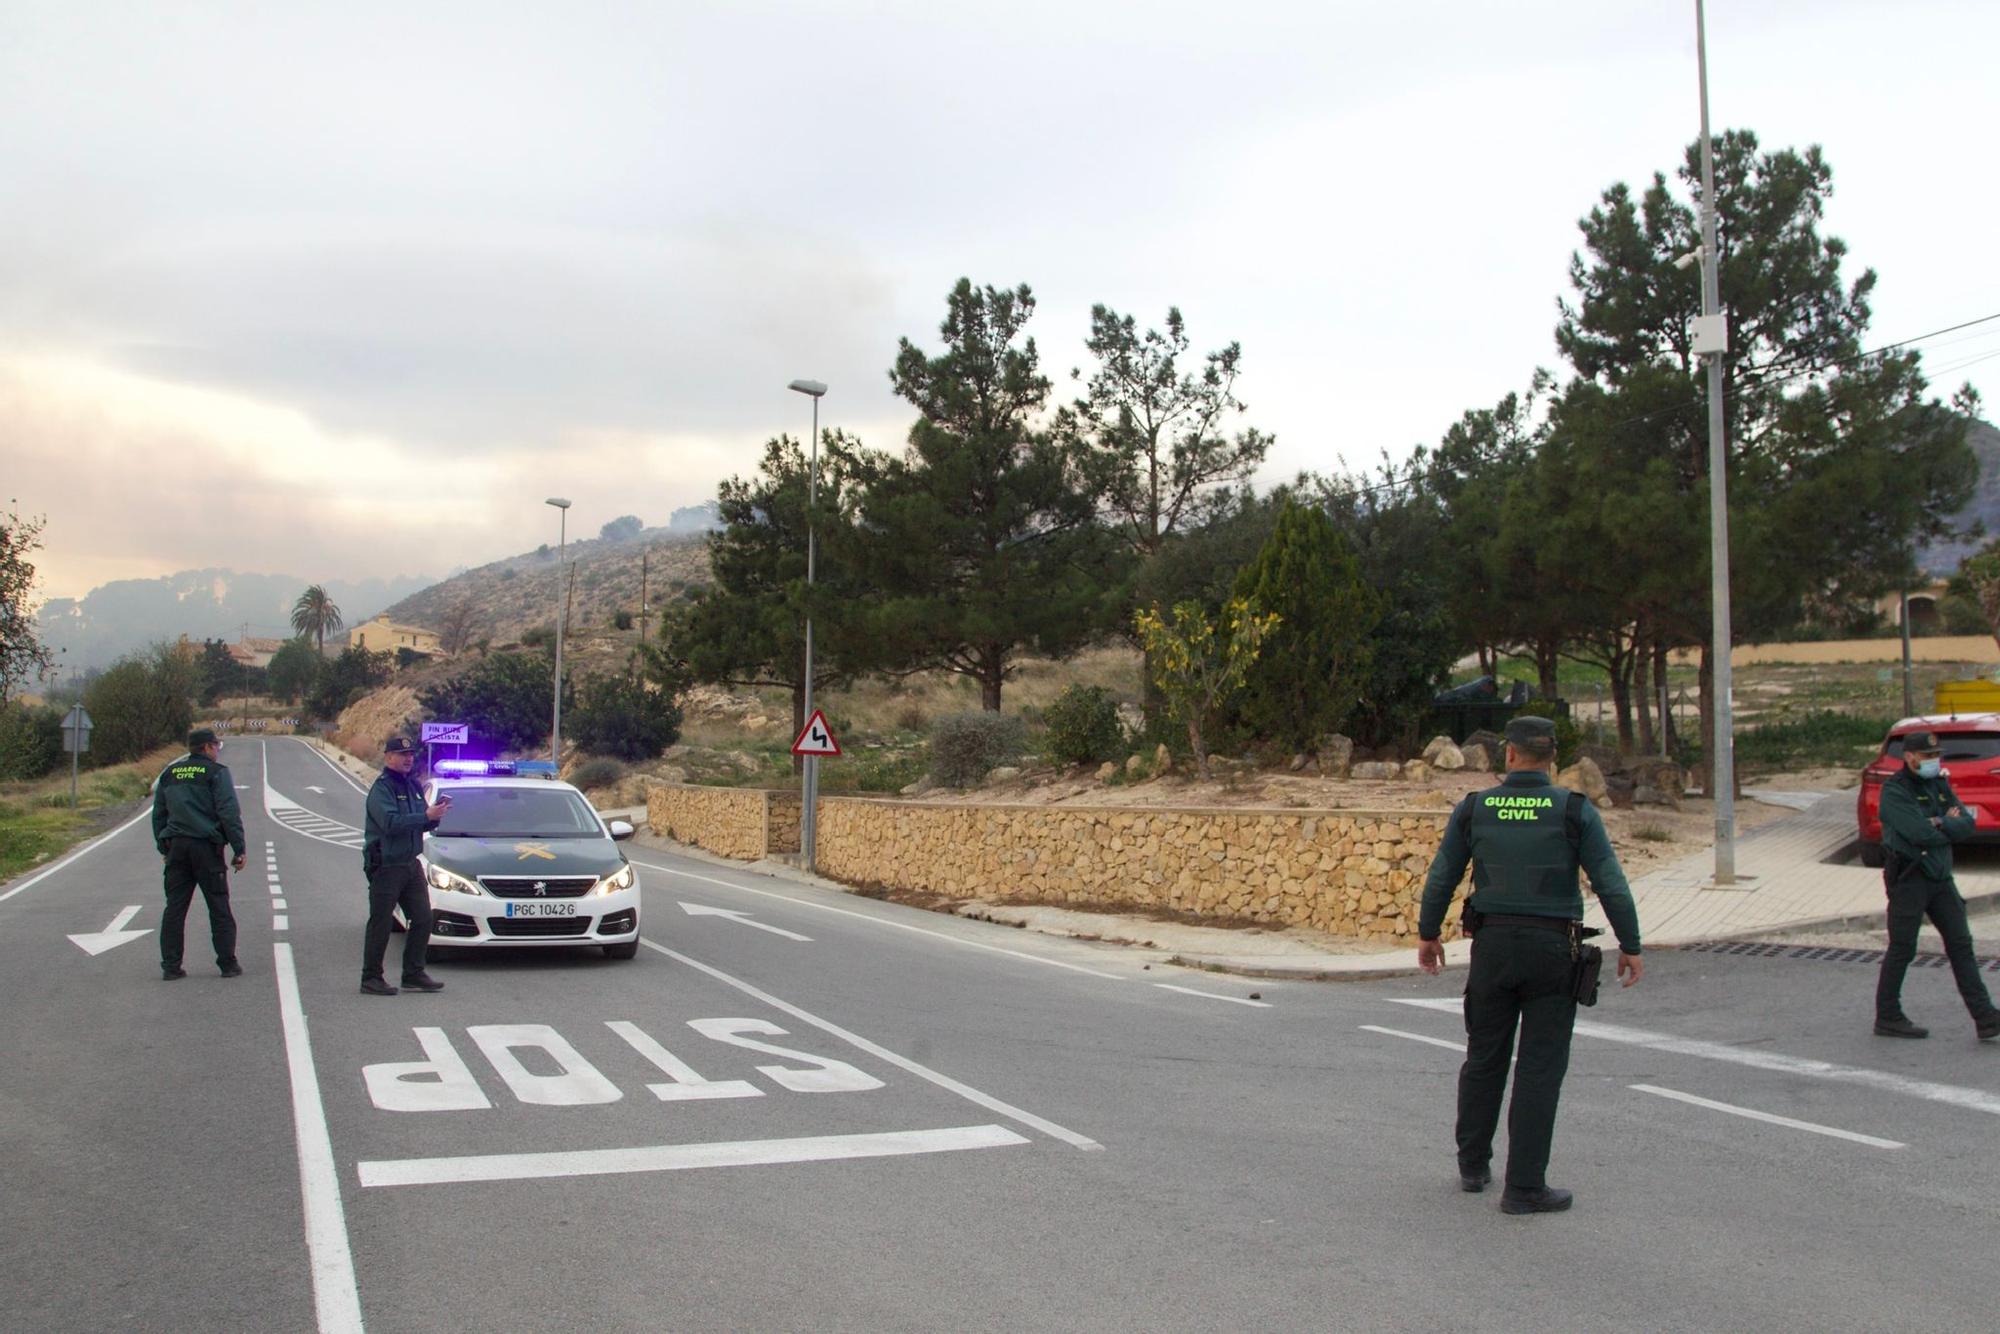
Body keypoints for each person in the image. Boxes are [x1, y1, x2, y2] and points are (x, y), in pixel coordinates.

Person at [1416, 716, 1643, 1215]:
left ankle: (1473, 1165)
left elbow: (1441, 877)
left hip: (1493, 948)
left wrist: (1429, 933)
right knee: (1539, 1069)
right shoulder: (1573, 809)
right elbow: (1610, 881)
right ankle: (1523, 1188)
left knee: (1484, 1056)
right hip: (1552, 952)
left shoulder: (1476, 808)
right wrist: (1631, 943)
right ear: (1552, 758)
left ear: (1509, 755)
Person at [1872, 730, 2000, 1041]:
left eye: (1935, 755)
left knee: (1961, 947)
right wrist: (1944, 822)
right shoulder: (1895, 791)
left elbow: (1967, 823)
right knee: (1903, 948)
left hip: (1940, 878)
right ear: (1910, 757)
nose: (1933, 761)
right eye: (1927, 756)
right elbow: (1919, 833)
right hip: (1910, 878)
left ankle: (1985, 1017)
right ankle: (1888, 1015)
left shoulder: (1938, 784)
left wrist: (1940, 822)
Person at [151, 728, 248, 980]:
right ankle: (228, 964)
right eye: (215, 745)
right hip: (206, 848)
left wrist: (163, 847)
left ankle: (171, 967)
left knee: (174, 908)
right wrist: (239, 849)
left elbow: (159, 814)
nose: (217, 749)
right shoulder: (217, 773)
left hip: (177, 849)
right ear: (206, 747)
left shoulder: (170, 774)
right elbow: (228, 813)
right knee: (218, 907)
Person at [360, 736, 450, 996]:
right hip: (386, 864)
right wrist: (424, 816)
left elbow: (420, 822)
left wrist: (435, 816)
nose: (408, 758)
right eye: (402, 754)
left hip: (410, 863)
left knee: (422, 918)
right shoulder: (382, 788)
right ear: (389, 757)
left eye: (410, 753)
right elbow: (390, 823)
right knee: (381, 922)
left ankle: (413, 973)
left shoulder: (412, 785)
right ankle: (371, 977)